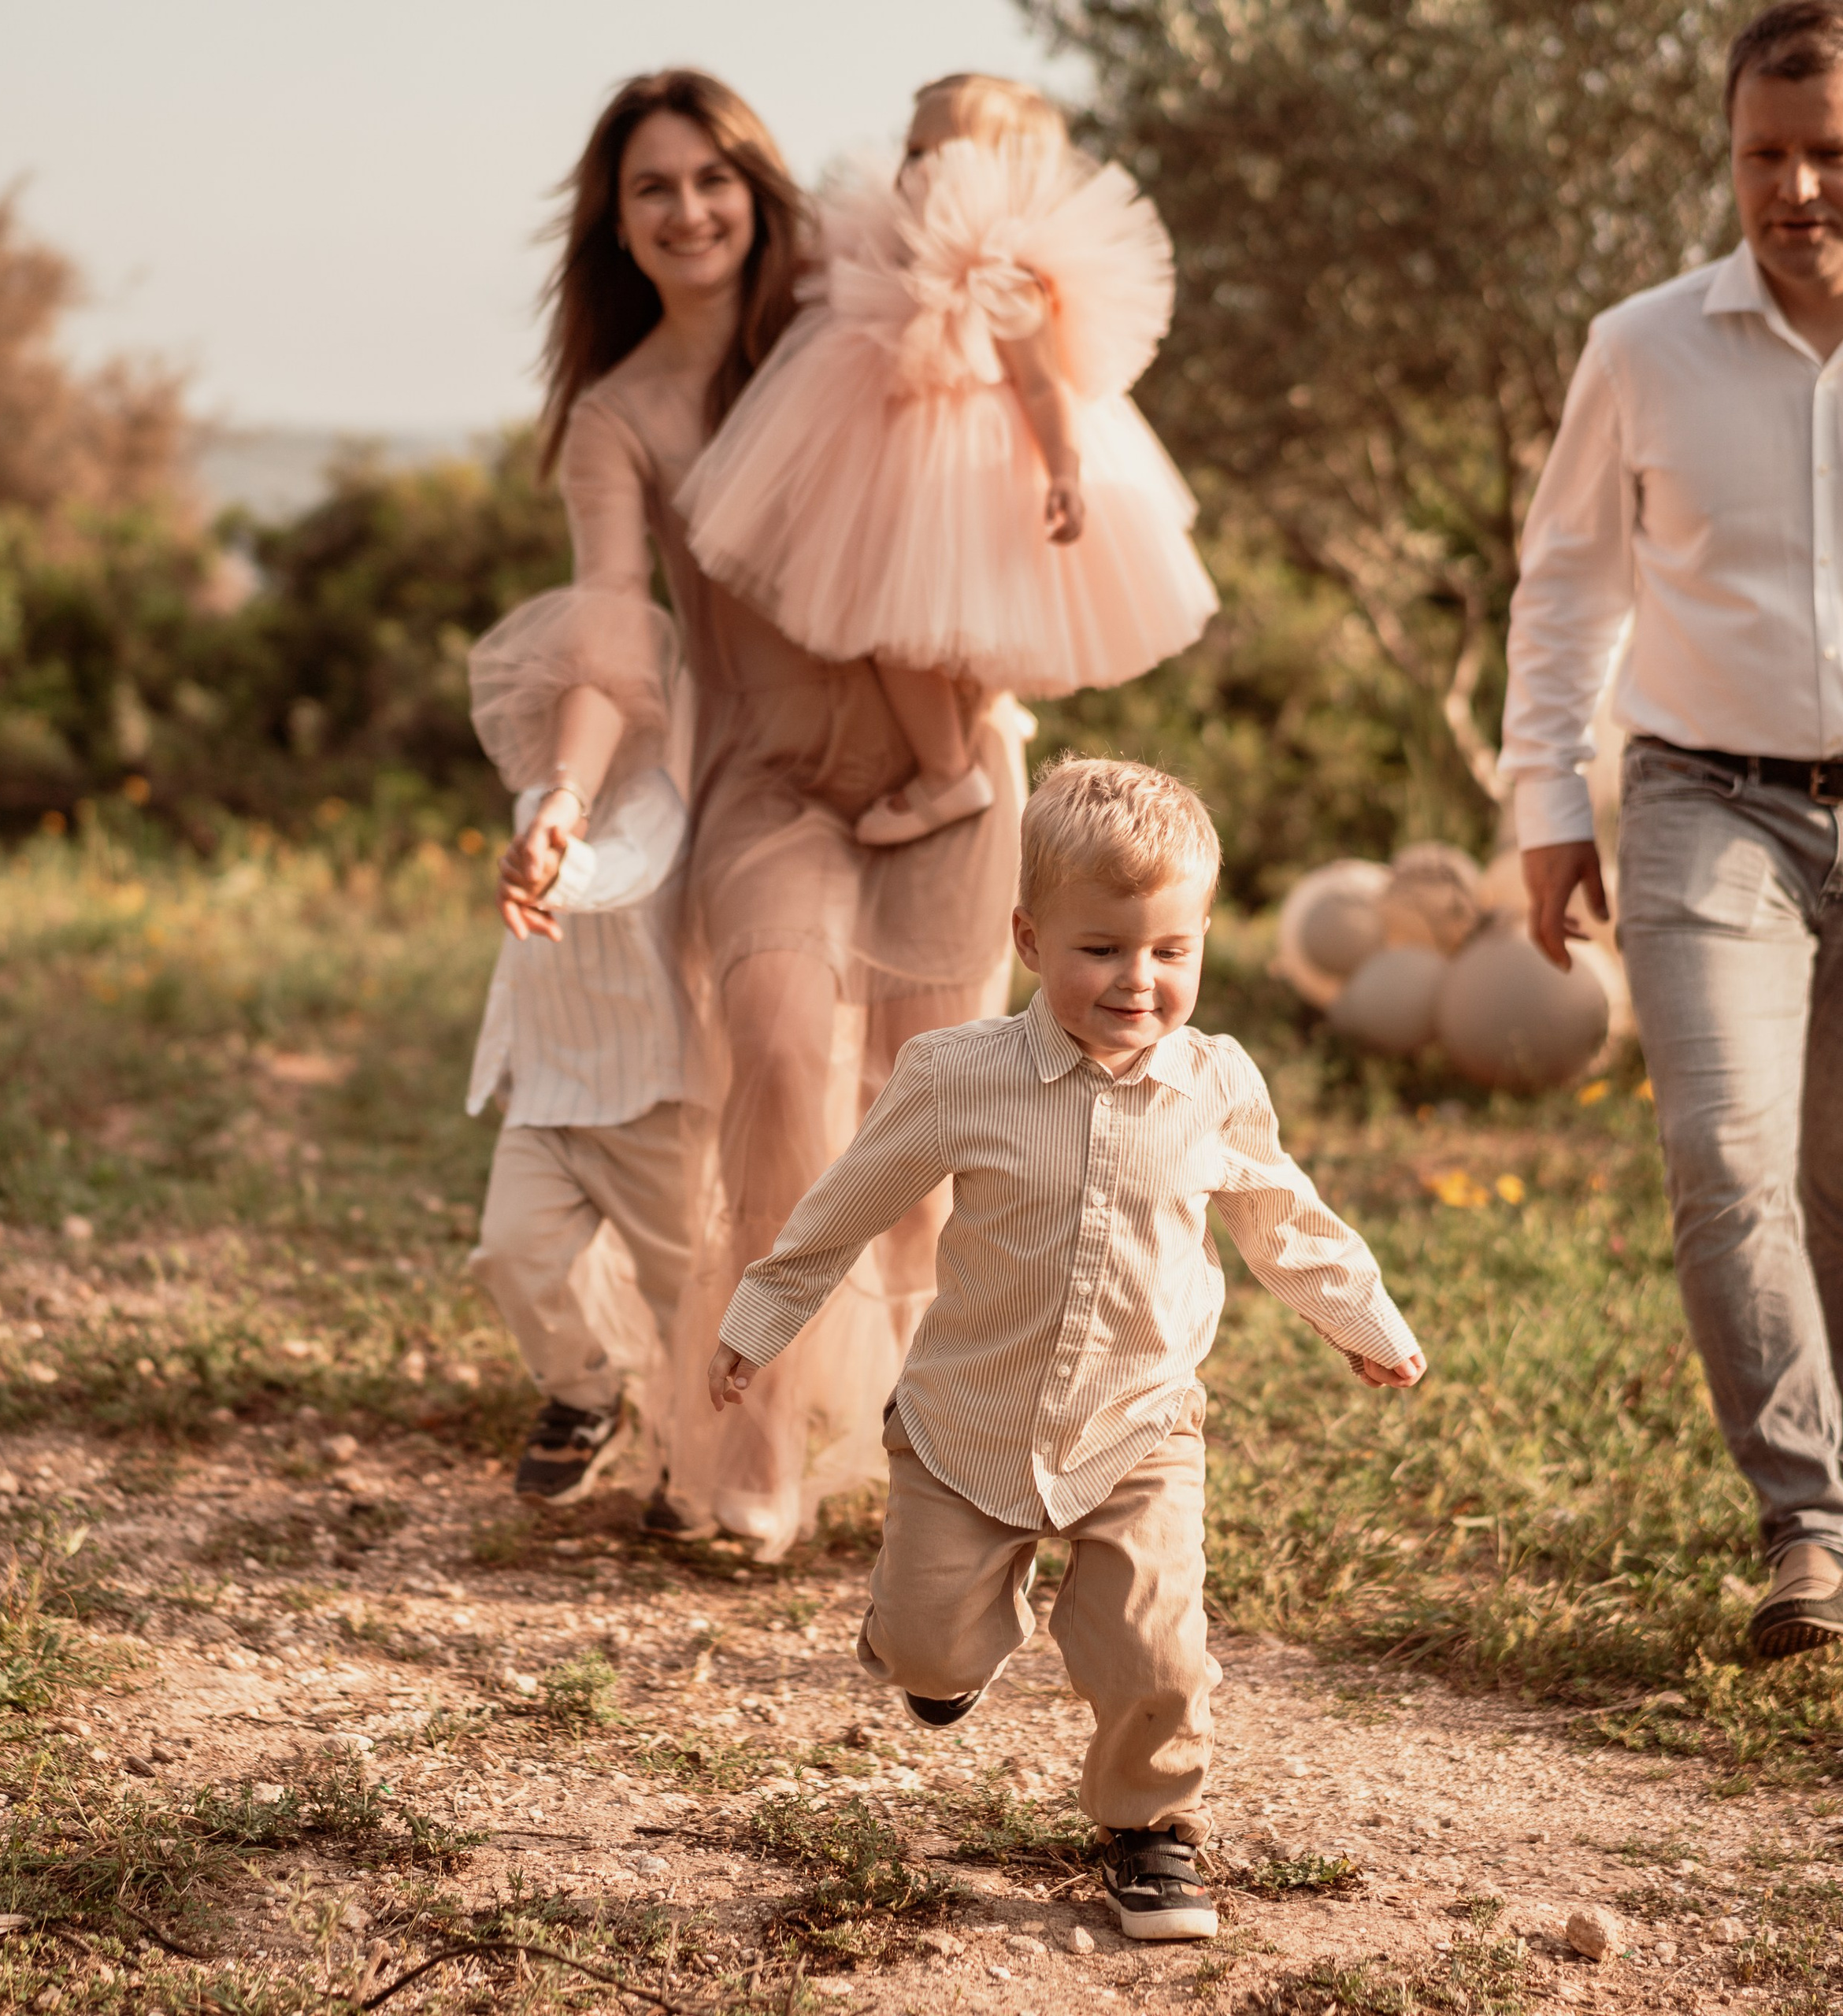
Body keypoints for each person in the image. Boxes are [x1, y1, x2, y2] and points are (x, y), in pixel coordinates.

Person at [708, 758, 1426, 1937]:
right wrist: (759, 1322)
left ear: (1201, 942)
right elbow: (846, 1205)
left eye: (1170, 952)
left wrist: (1365, 1321)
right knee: (928, 1651)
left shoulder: (1217, 1085)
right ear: (1030, 939)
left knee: (1157, 1651)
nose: (1138, 982)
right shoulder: (957, 1076)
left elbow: (1281, 1218)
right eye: (1103, 950)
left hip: (1139, 1426)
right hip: (967, 1428)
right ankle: (941, 1647)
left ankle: (1151, 1835)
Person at [499, 70, 1025, 1552]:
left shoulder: (839, 318)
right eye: (652, 188)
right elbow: (610, 631)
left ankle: (944, 1452)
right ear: (616, 222)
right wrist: (565, 795)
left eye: (713, 178)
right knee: (785, 1074)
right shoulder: (622, 417)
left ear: (758, 187)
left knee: (936, 1114)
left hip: (955, 766)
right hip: (765, 787)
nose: (688, 211)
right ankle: (760, 1436)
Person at [1500, 0, 1843, 1657]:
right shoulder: (1637, 345)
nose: (1792, 189)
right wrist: (1543, 798)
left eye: (1830, 153)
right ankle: (1806, 1522)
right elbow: (1564, 580)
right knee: (1725, 1157)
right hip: (1702, 799)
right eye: (1762, 157)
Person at [680, 73, 1216, 847]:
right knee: (894, 614)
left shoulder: (1008, 273)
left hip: (966, 476)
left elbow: (1045, 386)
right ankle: (957, 744)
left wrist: (1064, 471)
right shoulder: (880, 239)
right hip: (893, 461)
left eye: (946, 152)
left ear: (1008, 168)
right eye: (912, 148)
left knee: (913, 617)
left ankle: (947, 772)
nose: (918, 168)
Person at [462, 589, 692, 1504]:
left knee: (686, 1284)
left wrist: (559, 867)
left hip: (651, 1095)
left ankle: (698, 1435)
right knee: (511, 1251)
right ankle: (582, 1391)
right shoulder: (540, 794)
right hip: (551, 1087)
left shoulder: (662, 799)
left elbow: (627, 870)